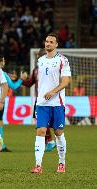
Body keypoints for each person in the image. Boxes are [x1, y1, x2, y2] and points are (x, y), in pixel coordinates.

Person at [31, 33, 71, 173]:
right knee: (41, 131)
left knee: (58, 133)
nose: (48, 44)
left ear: (56, 44)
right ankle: (38, 165)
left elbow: (66, 81)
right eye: (46, 41)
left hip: (57, 103)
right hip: (42, 103)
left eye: (51, 42)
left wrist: (53, 92)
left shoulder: (63, 60)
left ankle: (61, 162)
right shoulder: (40, 60)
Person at [21, 49, 56, 152]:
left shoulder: (52, 68)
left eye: (40, 55)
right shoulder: (36, 69)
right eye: (38, 56)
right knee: (38, 121)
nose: (38, 57)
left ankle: (50, 141)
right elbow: (29, 83)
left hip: (50, 98)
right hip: (39, 99)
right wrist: (20, 80)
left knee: (46, 123)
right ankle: (47, 141)